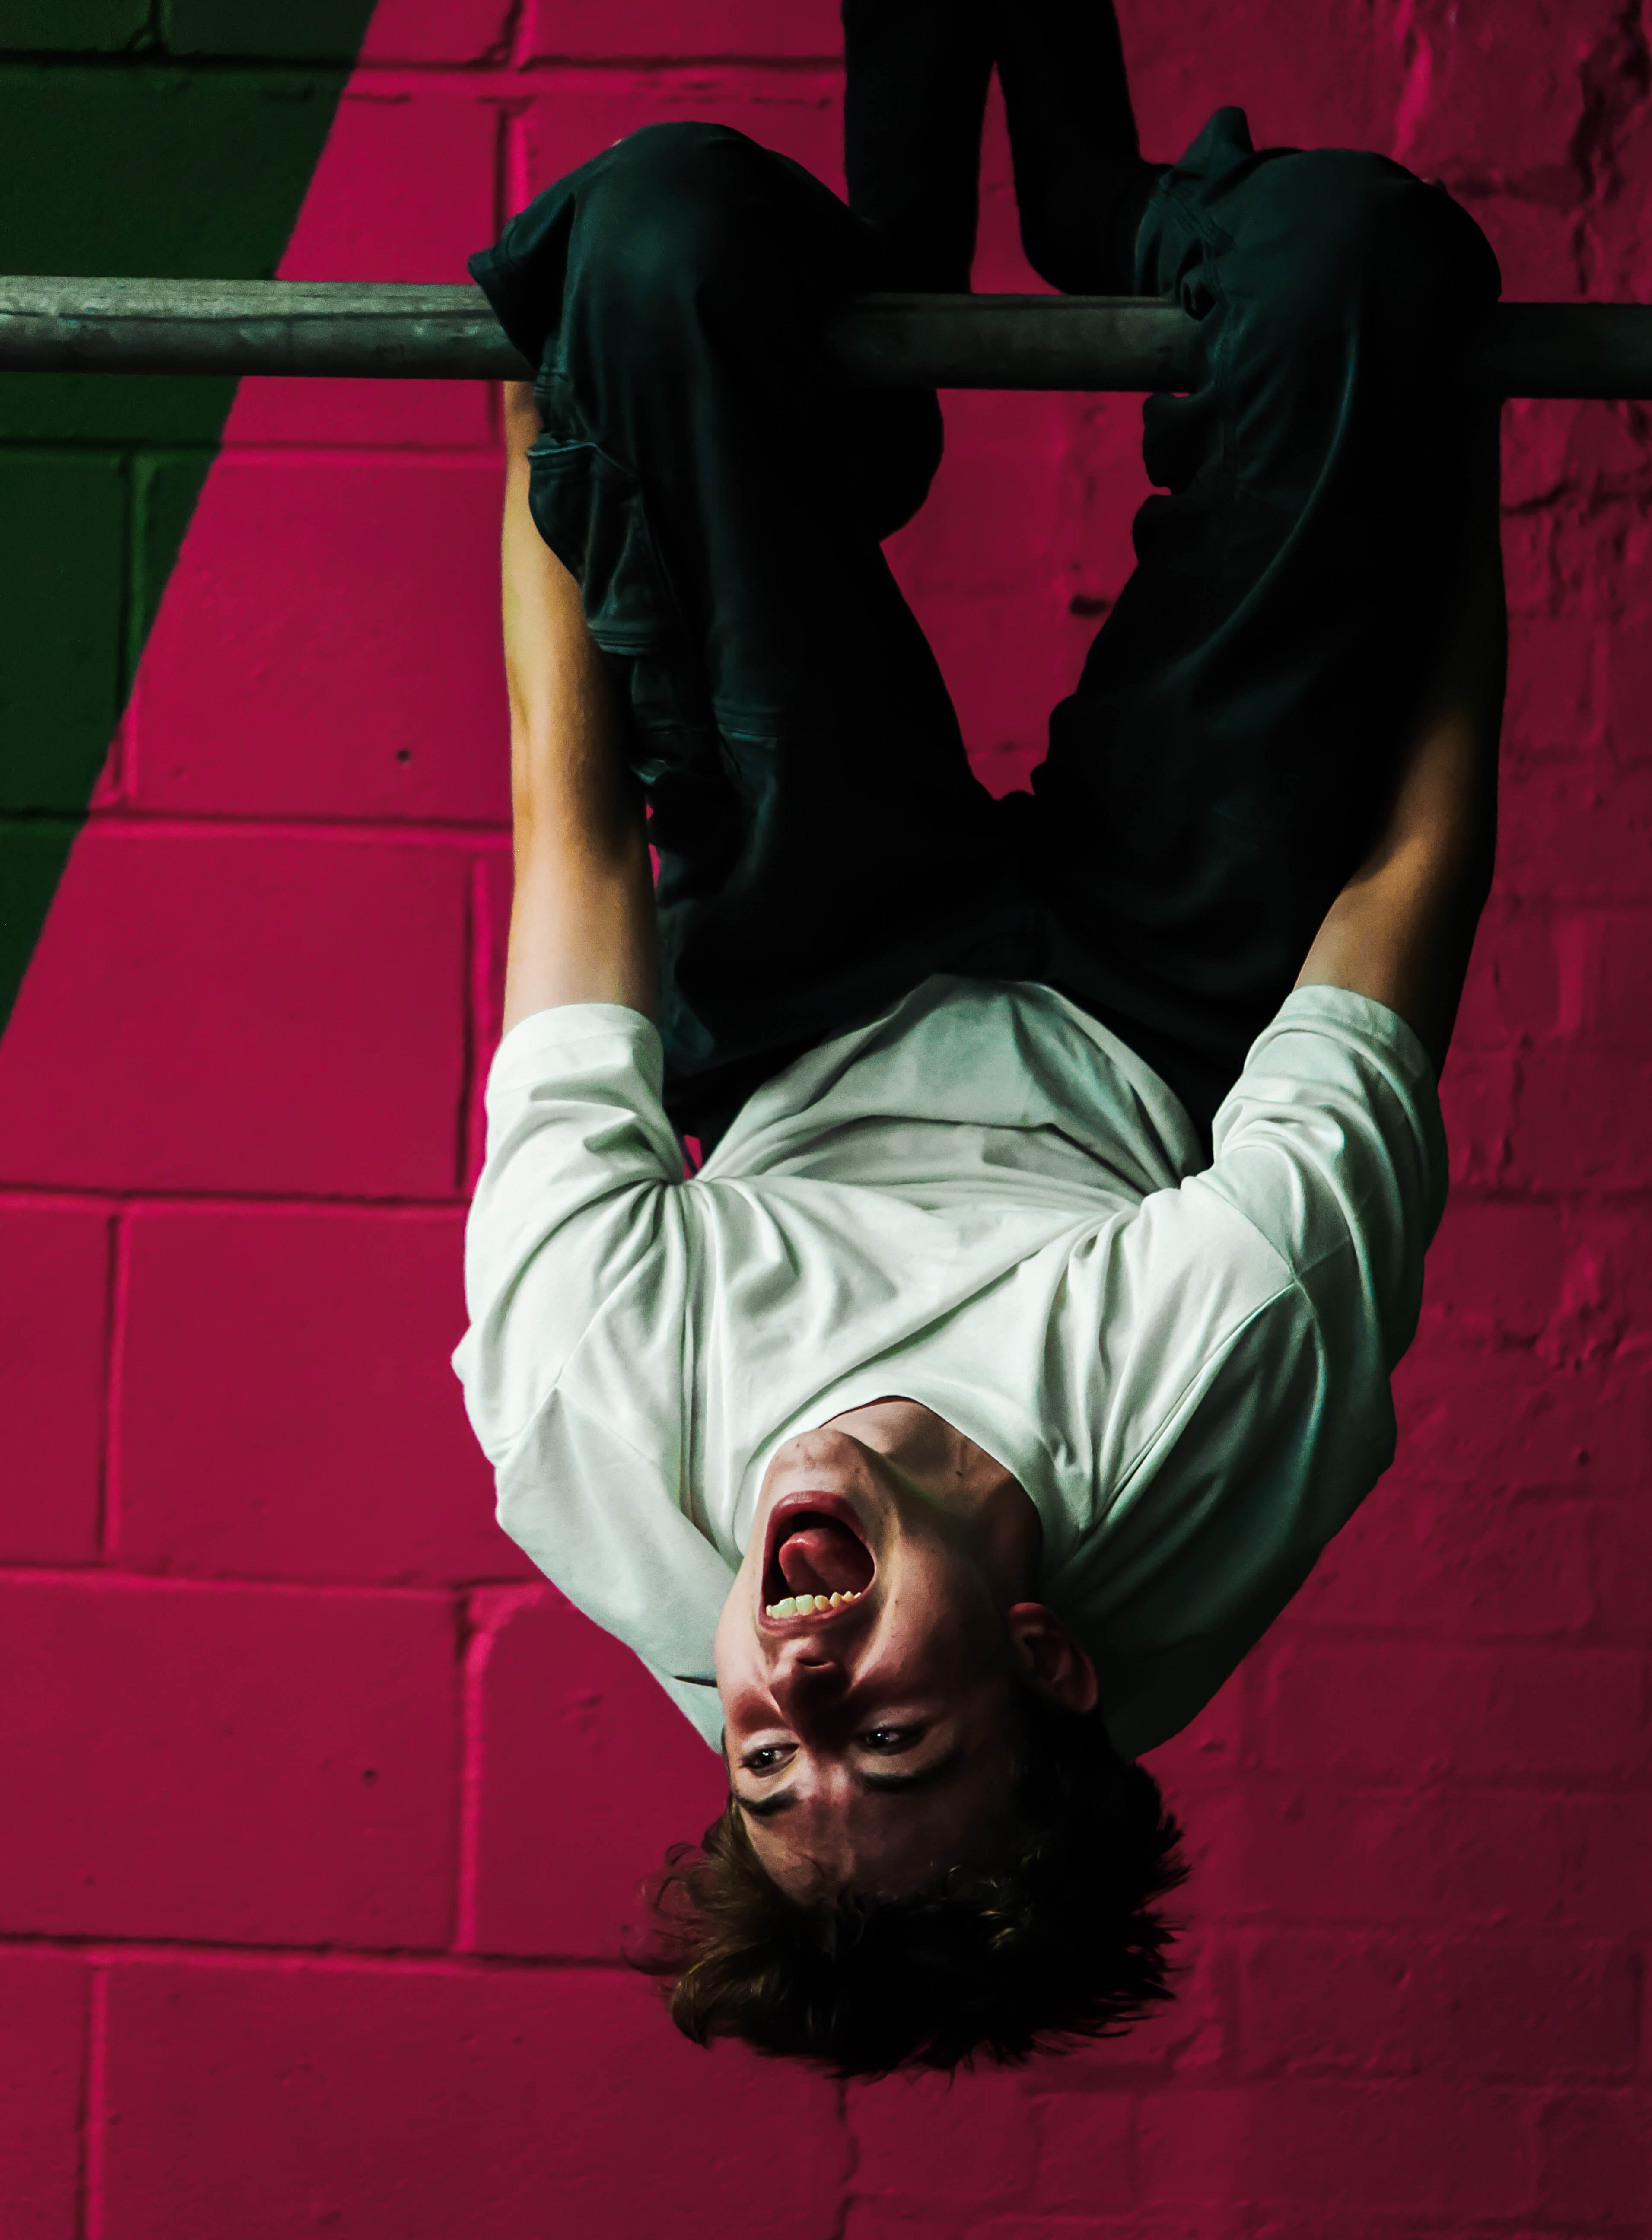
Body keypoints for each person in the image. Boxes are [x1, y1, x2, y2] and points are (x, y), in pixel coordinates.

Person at [452, 0, 1506, 2073]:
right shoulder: (1225, 1403)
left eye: (761, 1761)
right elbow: (1407, 884)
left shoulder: (594, 1418)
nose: (793, 1680)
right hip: (1156, 1020)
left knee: (649, 249)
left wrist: (571, 440)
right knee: (1361, 274)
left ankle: (889, 267)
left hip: (806, 997)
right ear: (1048, 1655)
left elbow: (573, 847)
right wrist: (1436, 476)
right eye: (891, 1731)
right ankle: (1122, 215)